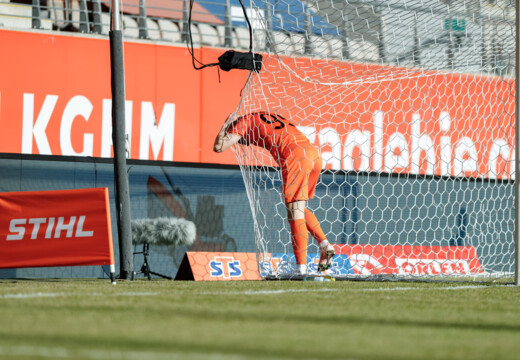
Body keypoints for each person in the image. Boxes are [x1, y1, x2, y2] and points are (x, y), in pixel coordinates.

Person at [213, 111, 335, 275]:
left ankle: (301, 269)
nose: (243, 142)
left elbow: (219, 147)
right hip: (313, 154)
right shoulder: (267, 117)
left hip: (295, 156)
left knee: (294, 212)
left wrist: (222, 132)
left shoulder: (243, 123)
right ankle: (325, 245)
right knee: (299, 208)